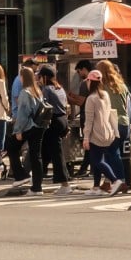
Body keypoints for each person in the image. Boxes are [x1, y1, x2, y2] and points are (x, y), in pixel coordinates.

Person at [82, 70, 125, 196]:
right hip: (108, 132)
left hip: (96, 133)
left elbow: (89, 121)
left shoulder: (91, 99)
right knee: (98, 159)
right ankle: (96, 187)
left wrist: (85, 137)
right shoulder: (105, 95)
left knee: (97, 161)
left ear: (90, 81)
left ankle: (115, 180)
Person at [11, 66, 47, 196]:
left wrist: (18, 130)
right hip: (39, 126)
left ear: (22, 77)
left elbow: (22, 114)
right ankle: (37, 187)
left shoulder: (25, 92)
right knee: (36, 156)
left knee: (11, 146)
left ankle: (21, 175)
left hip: (29, 126)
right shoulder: (37, 90)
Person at [38, 65, 72, 195]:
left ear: (45, 77)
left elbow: (43, 106)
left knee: (56, 153)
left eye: (40, 76)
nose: (39, 79)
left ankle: (64, 183)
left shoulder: (46, 89)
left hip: (52, 121)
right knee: (46, 151)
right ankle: (38, 180)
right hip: (62, 120)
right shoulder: (60, 88)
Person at [96, 60, 130, 189]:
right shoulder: (121, 85)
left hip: (112, 122)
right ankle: (107, 182)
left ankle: (121, 180)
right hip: (124, 122)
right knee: (111, 152)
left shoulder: (103, 87)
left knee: (112, 151)